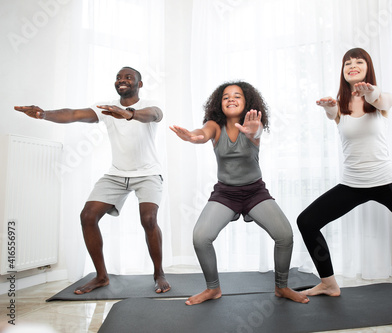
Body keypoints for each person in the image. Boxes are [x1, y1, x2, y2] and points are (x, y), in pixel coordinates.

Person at [297, 48, 392, 314]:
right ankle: (328, 283)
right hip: (351, 184)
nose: (353, 65)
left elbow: (380, 100)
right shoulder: (340, 105)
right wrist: (330, 107)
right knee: (307, 222)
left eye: (359, 62)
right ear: (342, 71)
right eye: (348, 62)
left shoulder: (382, 99)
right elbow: (333, 114)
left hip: (386, 182)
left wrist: (370, 92)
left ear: (368, 68)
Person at [14, 67, 170, 294]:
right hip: (117, 174)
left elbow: (155, 114)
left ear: (140, 84)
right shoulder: (106, 108)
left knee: (148, 219)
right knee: (87, 216)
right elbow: (73, 114)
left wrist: (129, 114)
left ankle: (159, 273)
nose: (122, 80)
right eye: (118, 77)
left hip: (147, 174)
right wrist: (43, 114)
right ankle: (101, 276)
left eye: (128, 77)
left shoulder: (149, 104)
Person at [170, 81, 309, 305]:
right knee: (200, 237)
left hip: (255, 192)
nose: (231, 99)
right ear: (219, 103)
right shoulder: (215, 125)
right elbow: (203, 133)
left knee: (284, 236)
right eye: (226, 97)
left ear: (247, 102)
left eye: (237, 96)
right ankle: (212, 289)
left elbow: (256, 131)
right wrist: (194, 137)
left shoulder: (253, 125)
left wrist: (255, 130)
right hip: (225, 194)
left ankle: (282, 287)